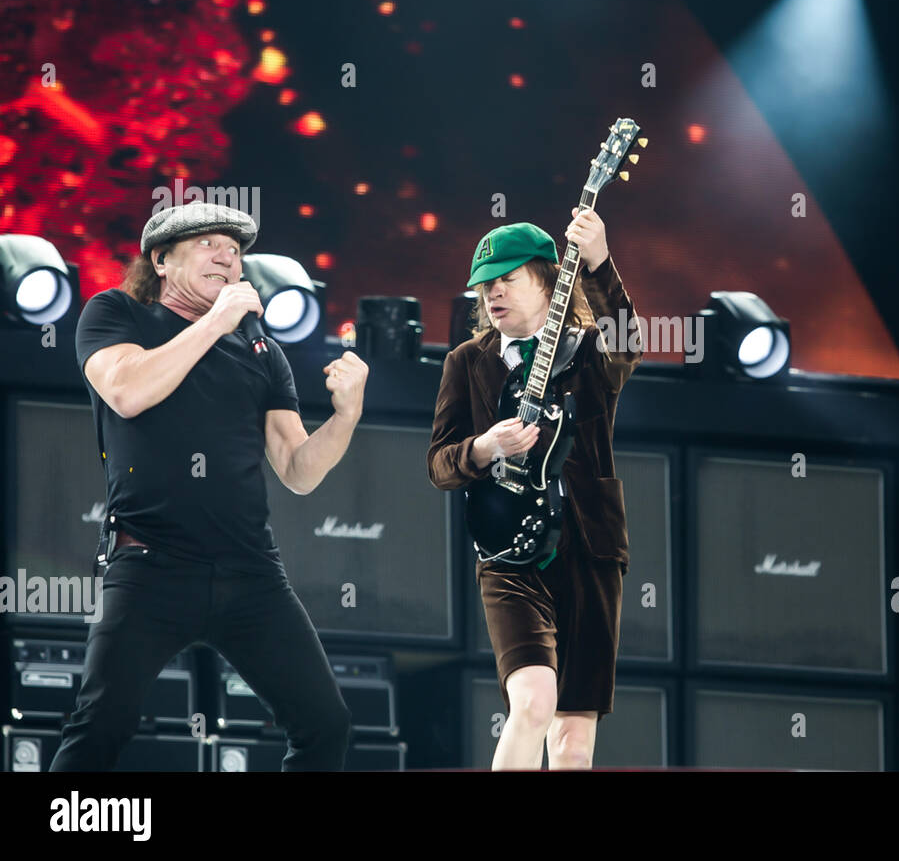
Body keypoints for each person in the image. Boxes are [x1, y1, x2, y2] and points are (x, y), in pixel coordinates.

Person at [50, 201, 369, 771]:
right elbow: (126, 391)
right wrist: (214, 323)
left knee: (326, 724)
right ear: (162, 260)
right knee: (102, 723)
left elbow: (298, 471)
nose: (227, 256)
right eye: (207, 244)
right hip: (152, 562)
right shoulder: (117, 313)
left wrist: (345, 416)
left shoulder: (263, 353)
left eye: (235, 249)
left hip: (250, 570)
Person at [428, 209, 640, 769]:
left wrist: (599, 261)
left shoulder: (591, 351)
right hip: (508, 558)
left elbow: (627, 346)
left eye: (507, 280)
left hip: (589, 548)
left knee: (573, 745)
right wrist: (483, 448)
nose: (492, 294)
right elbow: (439, 465)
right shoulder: (467, 362)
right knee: (532, 704)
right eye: (486, 286)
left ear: (548, 279)